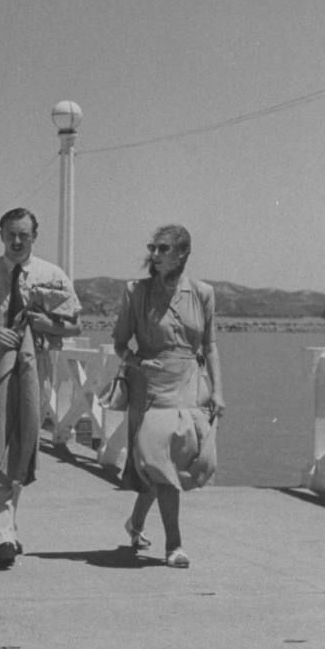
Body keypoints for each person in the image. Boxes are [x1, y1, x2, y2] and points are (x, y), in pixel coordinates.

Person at [0, 207, 81, 569]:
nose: (17, 241)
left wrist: (46, 323)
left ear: (35, 236)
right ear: (1, 235)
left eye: (24, 234)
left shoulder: (53, 276)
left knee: (21, 448)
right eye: (11, 234)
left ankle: (7, 526)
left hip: (36, 370)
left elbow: (75, 325)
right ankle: (1, 535)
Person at [112, 224, 225, 568]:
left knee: (186, 462)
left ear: (183, 253)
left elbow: (210, 345)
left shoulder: (203, 293)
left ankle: (135, 523)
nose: (155, 254)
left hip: (191, 384)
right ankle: (174, 545)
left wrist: (218, 391)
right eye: (153, 248)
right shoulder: (136, 292)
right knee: (159, 462)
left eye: (163, 248)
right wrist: (138, 361)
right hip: (151, 386)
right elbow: (120, 344)